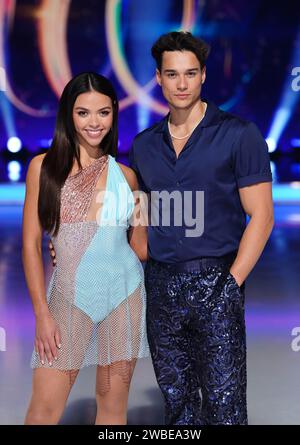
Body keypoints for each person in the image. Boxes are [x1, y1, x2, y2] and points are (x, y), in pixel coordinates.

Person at [128, 31, 274, 425]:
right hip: (161, 287)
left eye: (190, 73)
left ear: (203, 76)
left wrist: (232, 283)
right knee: (176, 406)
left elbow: (261, 215)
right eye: (172, 74)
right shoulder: (143, 145)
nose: (181, 83)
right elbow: (140, 212)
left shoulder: (239, 134)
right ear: (158, 78)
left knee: (225, 406)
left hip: (216, 280)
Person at [22, 72, 149, 425]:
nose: (95, 122)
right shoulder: (43, 168)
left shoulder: (128, 177)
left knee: (112, 413)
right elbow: (31, 245)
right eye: (83, 113)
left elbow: (140, 248)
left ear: (113, 115)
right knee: (44, 410)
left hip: (125, 296)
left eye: (103, 113)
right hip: (68, 297)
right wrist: (41, 314)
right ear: (69, 115)